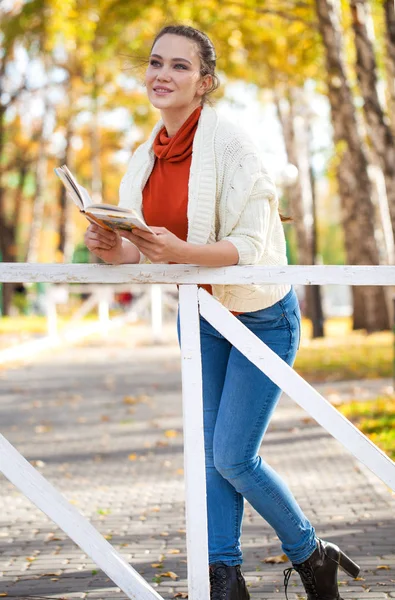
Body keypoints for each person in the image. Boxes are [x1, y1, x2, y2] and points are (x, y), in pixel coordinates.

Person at [84, 24, 360, 600]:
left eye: (180, 66)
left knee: (234, 455)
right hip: (203, 316)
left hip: (260, 314)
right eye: (156, 62)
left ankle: (312, 555)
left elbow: (251, 246)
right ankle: (224, 579)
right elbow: (143, 245)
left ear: (205, 82)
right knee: (209, 456)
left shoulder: (232, 144)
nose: (162, 74)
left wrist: (183, 254)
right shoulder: (143, 157)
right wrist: (114, 249)